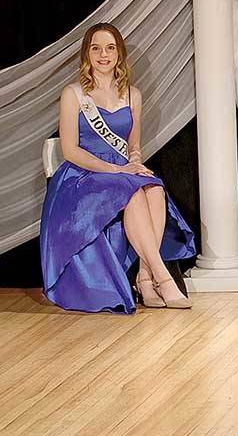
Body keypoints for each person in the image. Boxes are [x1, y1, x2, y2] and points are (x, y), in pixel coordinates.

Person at [41, 23, 196, 313]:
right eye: (96, 48)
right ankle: (162, 278)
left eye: (110, 48)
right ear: (87, 54)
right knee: (133, 193)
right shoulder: (74, 94)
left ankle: (144, 277)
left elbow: (133, 144)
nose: (104, 55)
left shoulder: (133, 95)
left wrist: (134, 161)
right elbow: (70, 150)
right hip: (82, 175)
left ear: (119, 53)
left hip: (121, 171)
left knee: (154, 189)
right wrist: (116, 171)